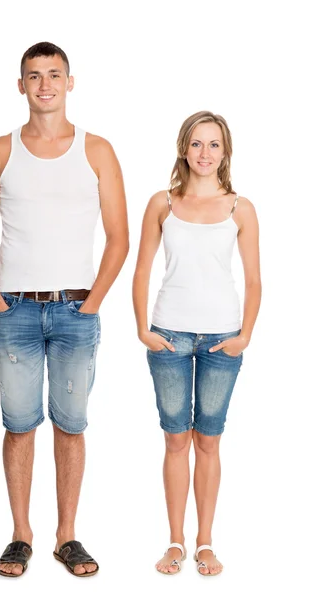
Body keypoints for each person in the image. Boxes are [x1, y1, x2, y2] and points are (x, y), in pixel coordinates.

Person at [0, 41, 129, 578]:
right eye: (33, 76)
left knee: (72, 425)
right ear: (20, 86)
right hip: (14, 309)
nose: (44, 85)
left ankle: (67, 536)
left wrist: (93, 303)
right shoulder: (0, 150)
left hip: (76, 312)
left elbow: (119, 238)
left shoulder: (97, 149)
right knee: (18, 425)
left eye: (53, 74)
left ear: (70, 82)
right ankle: (20, 535)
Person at [133, 111, 261, 576]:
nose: (204, 153)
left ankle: (205, 543)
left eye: (214, 145)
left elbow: (253, 279)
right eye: (196, 144)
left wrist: (243, 335)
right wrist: (143, 328)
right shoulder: (162, 204)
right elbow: (143, 268)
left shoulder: (239, 207)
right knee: (174, 439)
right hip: (168, 335)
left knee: (208, 440)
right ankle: (174, 542)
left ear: (225, 153)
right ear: (183, 148)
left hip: (221, 339)